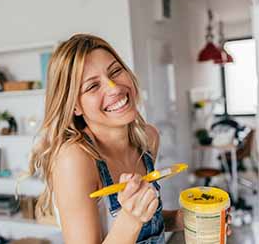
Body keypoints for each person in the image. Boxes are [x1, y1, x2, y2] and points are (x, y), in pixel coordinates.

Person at [28, 34, 228, 243]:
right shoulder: (74, 159)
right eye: (92, 86)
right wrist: (130, 219)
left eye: (115, 71)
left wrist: (179, 219)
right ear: (75, 106)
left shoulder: (148, 138)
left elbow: (149, 222)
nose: (113, 87)